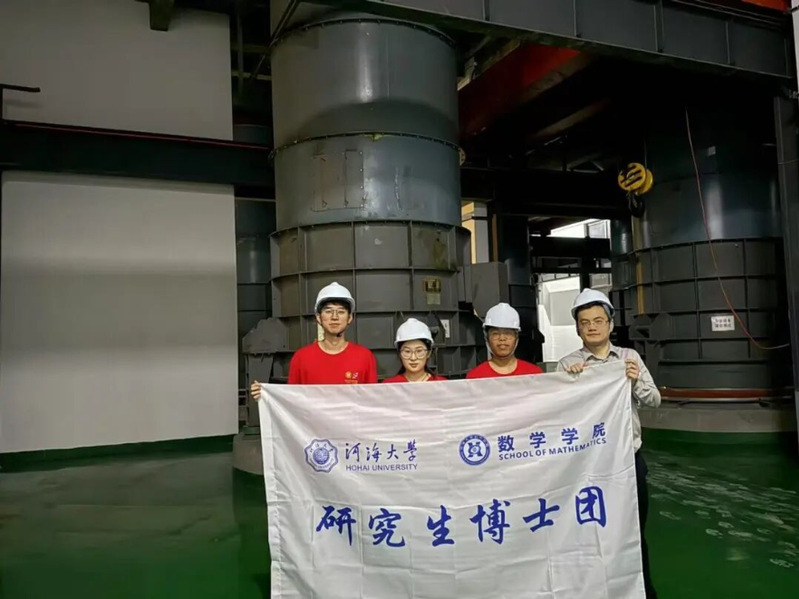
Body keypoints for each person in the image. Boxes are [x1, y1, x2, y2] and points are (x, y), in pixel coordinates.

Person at [557, 288, 660, 599]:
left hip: (627, 461)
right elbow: (558, 415)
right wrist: (570, 385)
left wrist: (635, 381)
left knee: (633, 531)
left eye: (598, 320)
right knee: (589, 531)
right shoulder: (567, 364)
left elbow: (654, 400)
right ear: (577, 328)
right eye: (585, 322)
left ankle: (641, 592)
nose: (592, 327)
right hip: (586, 465)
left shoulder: (630, 358)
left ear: (610, 324)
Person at [250, 282, 377, 397]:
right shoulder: (301, 358)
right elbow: (291, 400)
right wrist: (267, 394)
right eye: (328, 311)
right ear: (318, 317)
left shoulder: (364, 356)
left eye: (341, 312)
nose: (334, 317)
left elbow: (372, 400)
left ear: (350, 318)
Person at [466, 302, 544, 379]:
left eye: (508, 333)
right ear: (487, 338)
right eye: (495, 334)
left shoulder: (534, 374)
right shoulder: (475, 377)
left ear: (516, 337)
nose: (502, 338)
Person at [383, 318, 447, 383]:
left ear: (428, 353)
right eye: (407, 351)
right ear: (399, 354)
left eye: (419, 351)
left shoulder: (442, 384)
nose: (413, 358)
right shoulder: (389, 385)